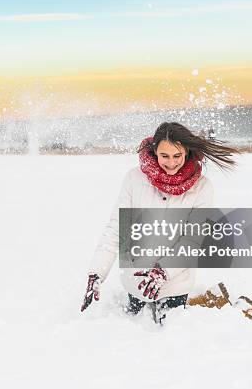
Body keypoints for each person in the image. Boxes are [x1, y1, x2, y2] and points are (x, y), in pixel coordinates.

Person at [80, 122, 239, 323]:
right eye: (164, 156)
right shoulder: (133, 179)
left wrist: (164, 271)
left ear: (187, 152)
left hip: (175, 284)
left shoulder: (203, 187)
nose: (171, 163)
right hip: (135, 280)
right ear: (155, 152)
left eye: (177, 156)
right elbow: (116, 229)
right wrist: (97, 272)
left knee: (170, 336)